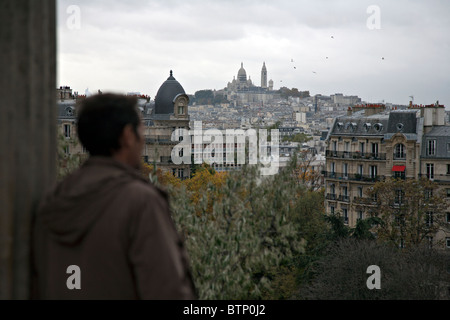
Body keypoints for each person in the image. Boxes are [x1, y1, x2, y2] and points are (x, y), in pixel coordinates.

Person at [31, 93, 196, 300]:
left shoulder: (50, 202)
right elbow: (168, 290)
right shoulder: (140, 202)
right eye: (141, 131)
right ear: (128, 136)